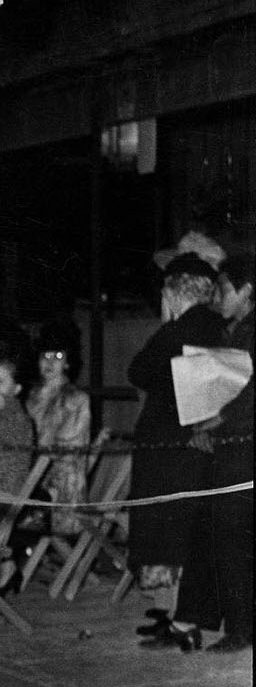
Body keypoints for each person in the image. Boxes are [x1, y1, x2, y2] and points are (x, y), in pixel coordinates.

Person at [127, 252, 230, 650]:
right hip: (198, 443)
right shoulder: (218, 327)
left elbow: (137, 371)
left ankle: (178, 619)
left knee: (166, 532)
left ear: (172, 292)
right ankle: (175, 614)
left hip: (168, 447)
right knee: (187, 530)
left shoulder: (176, 330)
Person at [170, 253, 254, 654]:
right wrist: (204, 423)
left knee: (235, 538)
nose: (218, 297)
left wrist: (219, 419)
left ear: (247, 290)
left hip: (244, 447)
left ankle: (240, 629)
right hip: (229, 444)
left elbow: (249, 395)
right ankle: (223, 621)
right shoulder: (230, 330)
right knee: (223, 535)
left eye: (224, 289)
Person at [26, 323, 91, 537]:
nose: (50, 361)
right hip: (30, 478)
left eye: (58, 356)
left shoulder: (77, 400)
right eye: (45, 355)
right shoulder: (30, 398)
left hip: (61, 488)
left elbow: (68, 449)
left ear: (68, 362)